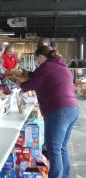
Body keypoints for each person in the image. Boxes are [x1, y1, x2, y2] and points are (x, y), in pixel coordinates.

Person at [17, 46, 79, 178]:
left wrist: (19, 85)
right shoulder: (61, 66)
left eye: (37, 59)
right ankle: (64, 176)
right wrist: (29, 74)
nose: (37, 62)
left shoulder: (45, 67)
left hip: (59, 111)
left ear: (40, 57)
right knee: (62, 147)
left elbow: (31, 84)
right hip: (73, 109)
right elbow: (42, 78)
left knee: (54, 149)